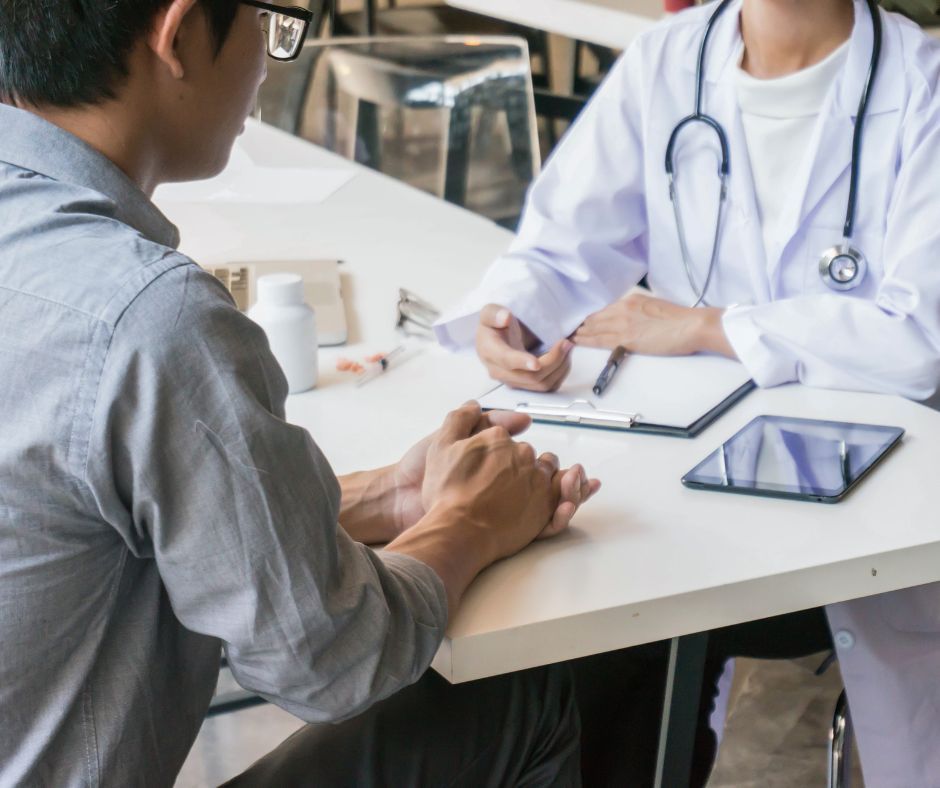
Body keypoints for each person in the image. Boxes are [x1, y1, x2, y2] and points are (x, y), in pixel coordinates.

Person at [0, 1, 602, 785]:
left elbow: (85, 522)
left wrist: (390, 495)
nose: (268, 55)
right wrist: (471, 523)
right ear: (178, 35)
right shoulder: (147, 318)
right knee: (522, 697)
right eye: (267, 16)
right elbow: (328, 661)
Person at [436, 0, 940, 784]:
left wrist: (709, 327)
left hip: (854, 520)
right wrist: (515, 316)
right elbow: (566, 241)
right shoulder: (667, 59)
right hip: (682, 486)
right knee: (593, 660)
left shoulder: (922, 84)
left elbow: (917, 344)